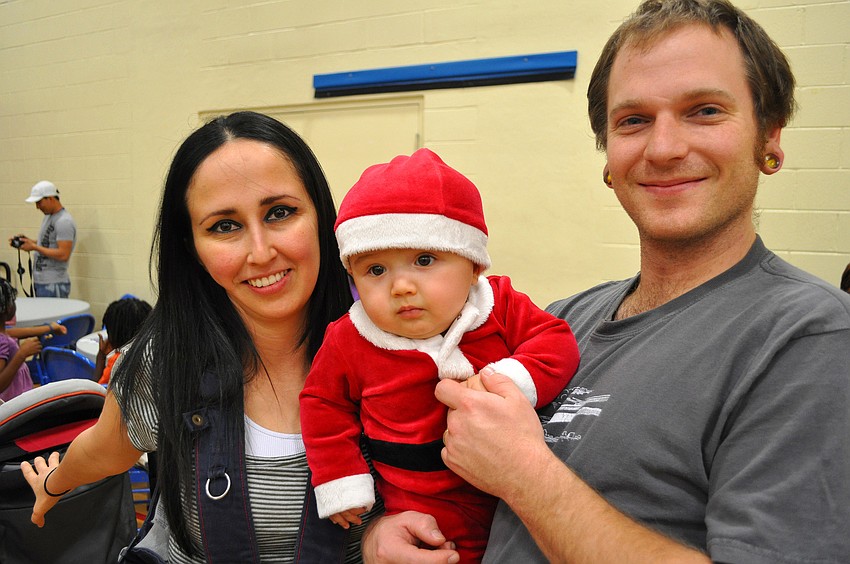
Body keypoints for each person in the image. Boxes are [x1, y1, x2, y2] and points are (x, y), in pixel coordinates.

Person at [363, 1, 850, 563]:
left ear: (769, 137)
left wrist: (524, 472)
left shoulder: (808, 338)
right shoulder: (564, 319)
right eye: (633, 121)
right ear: (608, 157)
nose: (664, 148)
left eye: (705, 111)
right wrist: (380, 531)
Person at [20, 111, 382, 563]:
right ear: (192, 247)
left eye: (280, 212)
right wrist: (53, 483)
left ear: (321, 217)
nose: (261, 251)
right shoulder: (166, 360)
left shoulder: (398, 344)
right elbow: (102, 450)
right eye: (224, 226)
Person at [300, 148, 579, 562]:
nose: (401, 286)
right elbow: (322, 403)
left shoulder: (498, 304)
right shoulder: (350, 338)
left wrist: (509, 382)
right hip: (423, 504)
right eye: (375, 270)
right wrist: (342, 479)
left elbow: (555, 341)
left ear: (473, 267)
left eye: (424, 260)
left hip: (515, 492)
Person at [9, 180, 77, 298]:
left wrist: (35, 247)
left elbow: (63, 254)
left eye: (39, 202)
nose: (37, 207)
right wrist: (29, 242)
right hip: (42, 282)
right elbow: (49, 243)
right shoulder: (49, 217)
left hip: (54, 283)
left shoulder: (64, 221)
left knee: (53, 316)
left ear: (50, 198)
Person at [93, 296, 153, 385]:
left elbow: (98, 389)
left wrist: (101, 357)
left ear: (114, 334)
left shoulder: (117, 362)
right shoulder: (154, 356)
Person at [0, 279, 40, 402]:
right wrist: (21, 354)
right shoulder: (2, 340)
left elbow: (13, 333)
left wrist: (49, 328)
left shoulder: (3, 334)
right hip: (14, 406)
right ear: (6, 308)